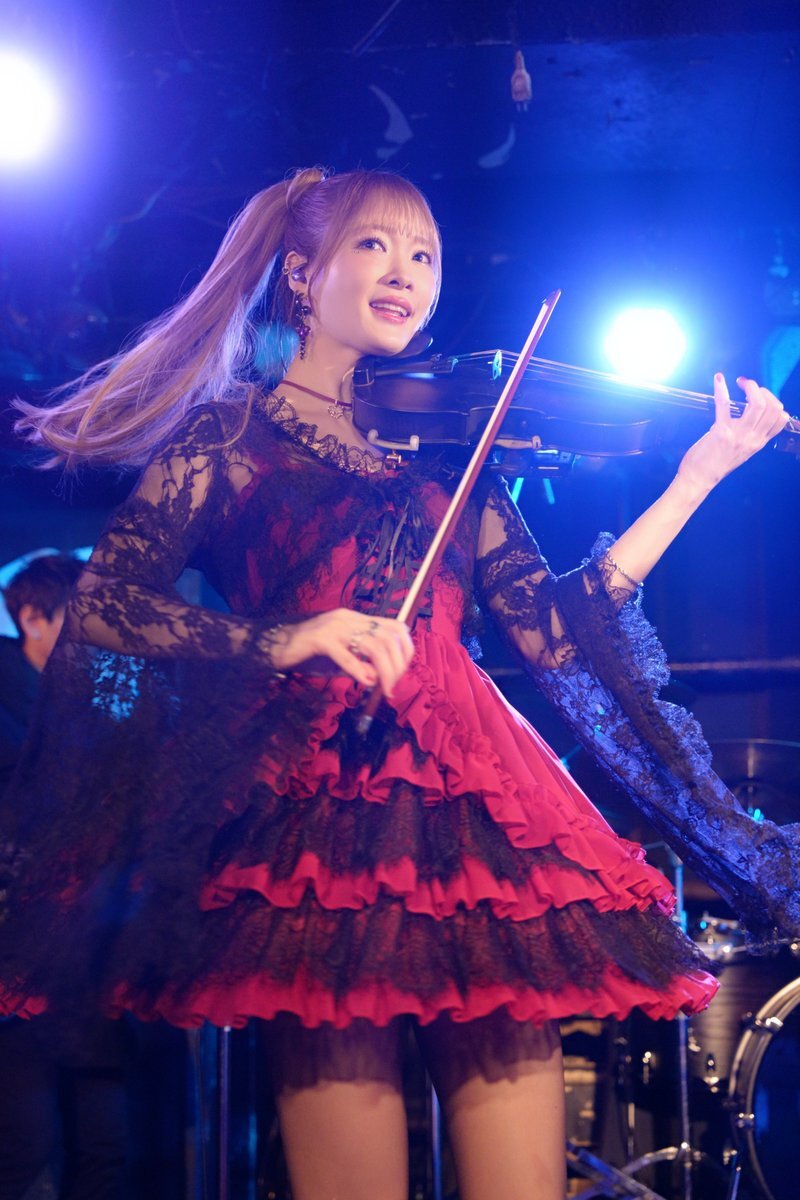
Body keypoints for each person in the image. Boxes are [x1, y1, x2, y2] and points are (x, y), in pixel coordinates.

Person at [0, 167, 796, 1200]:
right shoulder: (229, 435)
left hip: (476, 797)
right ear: (301, 274)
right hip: (311, 804)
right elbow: (107, 605)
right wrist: (286, 637)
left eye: (424, 254)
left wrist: (698, 475)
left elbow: (555, 634)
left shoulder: (445, 446)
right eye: (374, 245)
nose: (406, 273)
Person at [0, 555, 134, 1200]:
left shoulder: (92, 705)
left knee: (105, 1145)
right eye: (79, 622)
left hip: (89, 953)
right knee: (25, 1147)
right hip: (16, 951)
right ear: (32, 618)